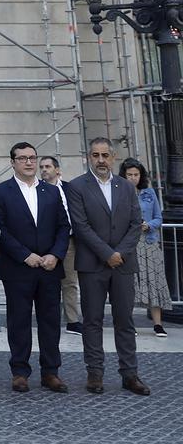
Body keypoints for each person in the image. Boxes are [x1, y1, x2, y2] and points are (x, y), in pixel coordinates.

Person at [68, 138, 149, 395]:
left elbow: (136, 223)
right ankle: (95, 373)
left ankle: (130, 374)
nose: (100, 160)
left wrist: (119, 254)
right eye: (95, 155)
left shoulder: (126, 186)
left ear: (113, 158)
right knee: (92, 321)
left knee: (125, 320)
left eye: (105, 155)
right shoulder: (77, 187)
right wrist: (107, 254)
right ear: (88, 157)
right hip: (92, 265)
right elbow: (81, 226)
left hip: (123, 265)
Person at [0, 141, 70, 393]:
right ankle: (20, 372)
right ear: (12, 162)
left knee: (50, 321)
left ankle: (51, 372)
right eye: (23, 158)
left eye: (32, 158)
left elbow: (63, 226)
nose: (29, 162)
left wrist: (56, 255)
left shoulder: (52, 191)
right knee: (19, 321)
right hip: (18, 268)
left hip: (49, 267)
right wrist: (25, 255)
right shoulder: (0, 192)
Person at [119, 159, 171, 336]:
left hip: (149, 242)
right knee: (130, 284)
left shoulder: (149, 193)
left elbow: (159, 218)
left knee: (155, 283)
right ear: (123, 176)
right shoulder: (120, 194)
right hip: (129, 244)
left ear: (141, 176)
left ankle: (158, 324)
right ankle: (129, 323)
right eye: (129, 175)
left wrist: (148, 225)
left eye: (136, 174)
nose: (133, 178)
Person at [40, 155, 81, 335]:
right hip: (46, 244)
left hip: (70, 242)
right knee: (48, 283)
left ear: (57, 170)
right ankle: (49, 317)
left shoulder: (70, 189)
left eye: (47, 166)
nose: (43, 170)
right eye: (41, 167)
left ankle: (72, 320)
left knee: (70, 282)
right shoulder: (37, 189)